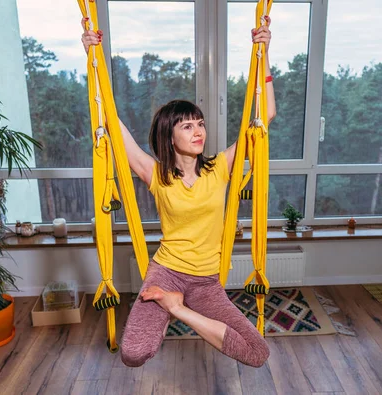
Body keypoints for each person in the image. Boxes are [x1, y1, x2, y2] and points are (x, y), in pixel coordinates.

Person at [81, 16, 276, 368]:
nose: (199, 131)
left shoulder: (220, 168)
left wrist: (264, 53)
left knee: (257, 353)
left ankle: (178, 309)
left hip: (206, 283)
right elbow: (110, 122)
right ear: (170, 137)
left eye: (200, 123)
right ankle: (173, 304)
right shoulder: (156, 174)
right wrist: (93, 61)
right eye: (188, 126)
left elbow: (264, 117)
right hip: (165, 272)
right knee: (134, 353)